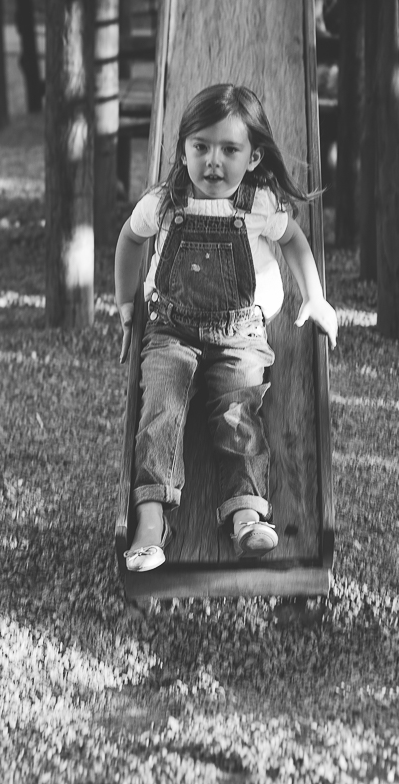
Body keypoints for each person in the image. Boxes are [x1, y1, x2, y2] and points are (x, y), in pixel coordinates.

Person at [114, 83, 339, 573]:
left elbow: (296, 242)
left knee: (238, 412)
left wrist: (316, 297)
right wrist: (126, 304)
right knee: (160, 408)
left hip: (241, 333)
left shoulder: (259, 204)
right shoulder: (165, 202)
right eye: (200, 147)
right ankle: (151, 524)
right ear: (184, 150)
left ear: (254, 157)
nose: (213, 161)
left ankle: (246, 511)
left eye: (230, 150)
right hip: (171, 330)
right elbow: (130, 239)